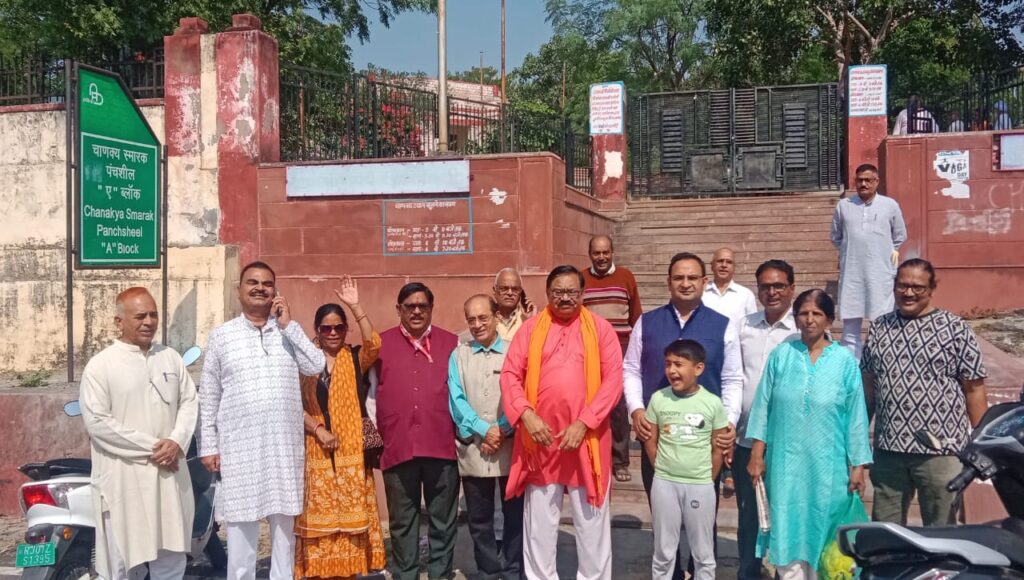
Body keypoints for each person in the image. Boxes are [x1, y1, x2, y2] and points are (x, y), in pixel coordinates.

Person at [199, 261, 326, 580]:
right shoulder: (222, 336)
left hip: (283, 449)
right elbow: (210, 394)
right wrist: (209, 446)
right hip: (240, 449)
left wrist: (289, 325)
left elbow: (316, 365)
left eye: (267, 284)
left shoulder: (288, 333)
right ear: (239, 290)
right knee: (241, 534)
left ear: (275, 291)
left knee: (284, 534)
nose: (260, 288)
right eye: (252, 282)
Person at [500, 265, 624, 580]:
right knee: (540, 526)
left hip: (588, 440)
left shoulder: (601, 330)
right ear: (547, 293)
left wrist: (584, 422)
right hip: (541, 441)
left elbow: (613, 381)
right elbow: (510, 375)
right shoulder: (530, 330)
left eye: (571, 292)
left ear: (582, 294)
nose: (565, 298)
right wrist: (526, 415)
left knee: (592, 523)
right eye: (558, 292)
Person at [624, 252, 741, 579]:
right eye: (679, 277)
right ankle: (670, 572)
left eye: (692, 278)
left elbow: (732, 377)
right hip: (656, 434)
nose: (685, 283)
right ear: (668, 282)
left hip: (703, 438)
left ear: (704, 282)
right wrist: (636, 408)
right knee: (664, 520)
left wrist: (729, 422)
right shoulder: (647, 322)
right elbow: (631, 369)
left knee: (704, 522)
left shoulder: (722, 325)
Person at [747, 289, 872, 580]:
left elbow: (856, 416)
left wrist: (858, 465)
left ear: (829, 319)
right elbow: (763, 405)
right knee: (786, 525)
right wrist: (756, 454)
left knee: (824, 532)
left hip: (829, 468)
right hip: (785, 466)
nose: (810, 319)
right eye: (804, 313)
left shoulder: (844, 361)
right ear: (795, 318)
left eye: (817, 313)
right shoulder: (782, 356)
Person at [80, 287, 198, 580]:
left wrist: (177, 441)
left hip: (168, 477)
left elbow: (189, 402)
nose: (149, 322)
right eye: (140, 316)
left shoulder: (170, 358)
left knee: (171, 558)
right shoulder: (101, 366)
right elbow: (98, 423)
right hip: (124, 479)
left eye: (153, 315)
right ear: (119, 321)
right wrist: (157, 448)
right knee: (120, 563)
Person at [862, 259, 988, 526]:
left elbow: (974, 389)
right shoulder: (879, 328)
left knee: (942, 531)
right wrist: (859, 438)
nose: (908, 293)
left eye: (917, 287)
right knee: (885, 531)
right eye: (902, 286)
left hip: (941, 452)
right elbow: (868, 389)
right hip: (890, 450)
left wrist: (981, 443)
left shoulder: (955, 328)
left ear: (932, 288)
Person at [295, 276, 386, 579]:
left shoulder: (355, 357)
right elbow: (292, 405)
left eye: (338, 328)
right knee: (317, 522)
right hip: (315, 452)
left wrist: (356, 307)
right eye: (326, 328)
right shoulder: (302, 363)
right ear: (316, 330)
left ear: (346, 329)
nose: (333, 333)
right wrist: (318, 430)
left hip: (351, 455)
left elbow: (374, 343)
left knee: (350, 523)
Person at [373, 282, 460, 580]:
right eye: (410, 306)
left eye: (423, 306)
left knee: (443, 521)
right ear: (398, 309)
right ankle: (405, 574)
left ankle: (440, 574)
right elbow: (370, 395)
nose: (417, 311)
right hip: (398, 446)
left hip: (441, 444)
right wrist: (381, 435)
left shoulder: (452, 343)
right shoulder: (379, 344)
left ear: (431, 308)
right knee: (402, 522)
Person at [448, 295, 523, 579]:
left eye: (483, 318)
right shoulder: (459, 355)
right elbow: (456, 400)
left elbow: (522, 393)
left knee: (515, 514)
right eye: (471, 320)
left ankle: (513, 569)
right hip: (475, 447)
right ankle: (488, 571)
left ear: (496, 317)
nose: (477, 325)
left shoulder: (514, 352)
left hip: (510, 446)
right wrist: (484, 430)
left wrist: (502, 429)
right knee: (479, 518)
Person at [733, 260, 799, 580]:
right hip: (746, 438)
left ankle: (785, 573)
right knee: (749, 514)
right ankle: (748, 572)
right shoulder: (743, 326)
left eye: (779, 286)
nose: (772, 292)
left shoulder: (803, 329)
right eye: (765, 286)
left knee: (785, 513)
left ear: (791, 289)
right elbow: (732, 377)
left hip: (787, 442)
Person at [644, 340, 729, 580]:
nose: (672, 370)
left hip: (699, 485)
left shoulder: (712, 403)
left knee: (703, 552)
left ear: (698, 368)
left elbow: (718, 447)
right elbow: (650, 439)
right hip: (664, 483)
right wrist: (661, 468)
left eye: (679, 364)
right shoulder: (658, 399)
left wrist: (707, 479)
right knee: (663, 551)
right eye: (668, 364)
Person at [581, 234, 643, 483]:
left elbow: (636, 315)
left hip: (621, 348)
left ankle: (620, 461)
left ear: (613, 252)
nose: (601, 257)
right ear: (590, 254)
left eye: (605, 252)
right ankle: (591, 457)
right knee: (590, 403)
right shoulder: (581, 279)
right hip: (589, 351)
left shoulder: (626, 277)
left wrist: (638, 348)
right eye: (596, 253)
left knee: (618, 406)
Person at [831, 163, 907, 358]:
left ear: (877, 182)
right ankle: (852, 366)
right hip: (852, 273)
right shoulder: (844, 206)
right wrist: (851, 252)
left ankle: (880, 362)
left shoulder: (890, 205)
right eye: (860, 180)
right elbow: (836, 237)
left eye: (868, 180)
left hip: (880, 272)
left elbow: (899, 236)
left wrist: (884, 253)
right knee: (850, 326)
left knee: (881, 321)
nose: (863, 184)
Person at [702, 247, 758, 325]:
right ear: (712, 265)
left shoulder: (745, 295)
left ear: (734, 267)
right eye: (720, 261)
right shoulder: (701, 293)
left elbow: (753, 325)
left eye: (729, 262)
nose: (724, 265)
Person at [493, 268, 536, 340]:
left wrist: (531, 322)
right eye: (504, 288)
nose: (510, 293)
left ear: (521, 293)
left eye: (515, 289)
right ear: (495, 290)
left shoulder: (529, 318)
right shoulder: (485, 318)